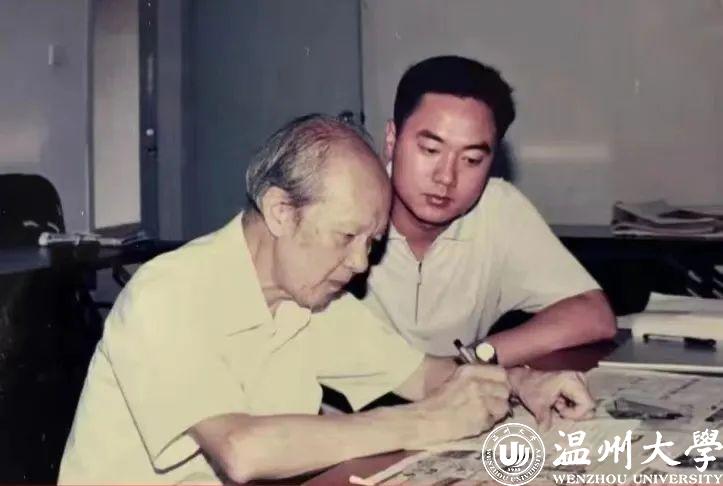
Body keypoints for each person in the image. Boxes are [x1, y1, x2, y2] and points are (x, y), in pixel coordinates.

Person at [59, 115, 594, 484]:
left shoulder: (311, 297)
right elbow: (241, 451)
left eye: (372, 242)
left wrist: (519, 383)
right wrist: (426, 422)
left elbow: (423, 374)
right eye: (346, 237)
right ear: (281, 211)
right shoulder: (168, 293)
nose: (361, 263)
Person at [361, 56, 617, 365]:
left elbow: (594, 314)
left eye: (471, 160)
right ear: (392, 139)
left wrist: (471, 361)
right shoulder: (345, 201)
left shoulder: (498, 208)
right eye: (430, 150)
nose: (446, 177)